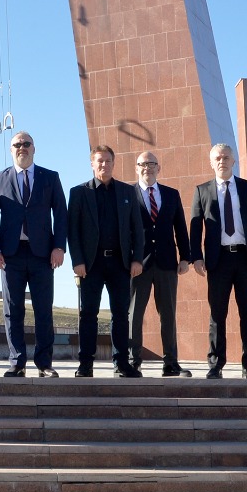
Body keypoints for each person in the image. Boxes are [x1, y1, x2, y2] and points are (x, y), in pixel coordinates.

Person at [0, 130, 68, 377]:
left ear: (34, 148)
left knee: (44, 310)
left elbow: (61, 213)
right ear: (11, 150)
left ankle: (44, 364)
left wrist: (59, 247)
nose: (22, 147)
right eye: (17, 144)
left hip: (43, 255)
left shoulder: (50, 177)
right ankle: (17, 362)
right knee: (13, 309)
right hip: (10, 255)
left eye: (26, 143)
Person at [190, 142, 247, 379]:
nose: (222, 161)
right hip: (218, 261)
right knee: (217, 314)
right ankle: (215, 364)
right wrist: (196, 257)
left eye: (226, 157)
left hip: (246, 258)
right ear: (211, 163)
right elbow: (195, 228)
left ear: (233, 161)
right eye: (217, 158)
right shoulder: (202, 191)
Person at [67, 144, 144, 378]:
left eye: (108, 160)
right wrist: (77, 261)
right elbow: (73, 231)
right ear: (92, 164)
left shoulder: (128, 192)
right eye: (99, 161)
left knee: (121, 314)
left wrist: (137, 259)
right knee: (88, 314)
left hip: (120, 263)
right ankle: (85, 364)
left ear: (113, 163)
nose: (104, 165)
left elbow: (137, 229)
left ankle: (121, 363)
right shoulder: (79, 193)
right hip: (91, 265)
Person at [130, 150, 192, 377]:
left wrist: (185, 257)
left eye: (151, 163)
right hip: (138, 264)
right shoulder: (128, 194)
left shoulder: (171, 194)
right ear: (136, 168)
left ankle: (171, 363)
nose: (147, 167)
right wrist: (129, 259)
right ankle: (133, 361)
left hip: (167, 263)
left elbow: (180, 228)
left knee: (168, 314)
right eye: (142, 164)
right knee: (134, 314)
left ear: (159, 168)